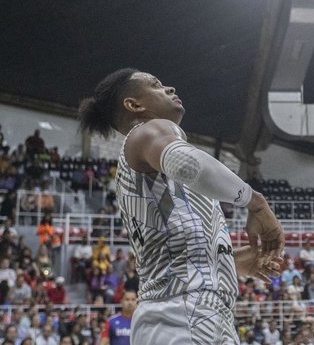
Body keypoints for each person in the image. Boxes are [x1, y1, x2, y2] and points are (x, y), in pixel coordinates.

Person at [77, 68, 285, 345]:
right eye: (156, 85)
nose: (170, 88)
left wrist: (224, 261)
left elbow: (168, 246)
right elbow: (188, 164)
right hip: (182, 315)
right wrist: (257, 203)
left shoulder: (150, 168)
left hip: (189, 314)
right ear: (135, 105)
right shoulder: (149, 129)